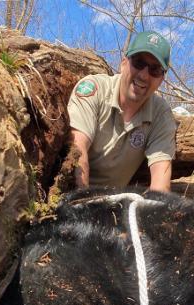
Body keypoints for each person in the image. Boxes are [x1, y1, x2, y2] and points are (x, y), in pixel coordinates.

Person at [67, 31, 176, 192]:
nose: (144, 75)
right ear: (124, 62)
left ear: (162, 79)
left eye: (155, 69)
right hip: (71, 191)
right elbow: (77, 151)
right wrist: (82, 203)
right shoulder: (94, 89)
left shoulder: (161, 115)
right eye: (139, 63)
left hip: (113, 204)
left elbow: (161, 183)